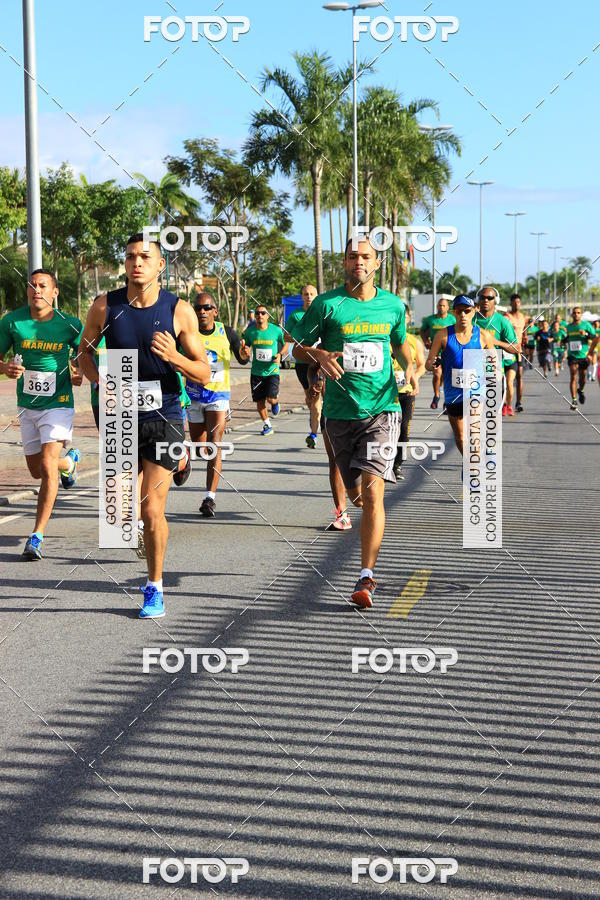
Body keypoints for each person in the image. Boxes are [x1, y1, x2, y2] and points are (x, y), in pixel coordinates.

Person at [79, 234, 210, 619]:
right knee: (120, 509)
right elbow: (85, 351)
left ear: (159, 265)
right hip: (119, 412)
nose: (137, 262)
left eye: (145, 257)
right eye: (131, 256)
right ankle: (172, 474)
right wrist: (98, 380)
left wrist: (175, 357)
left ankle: (154, 587)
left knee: (152, 508)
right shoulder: (105, 305)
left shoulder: (179, 310)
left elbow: (204, 371)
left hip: (164, 413)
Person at [289, 237, 418, 609]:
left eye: (366, 257)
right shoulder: (328, 305)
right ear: (344, 263)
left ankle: (366, 576)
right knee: (358, 496)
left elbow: (399, 343)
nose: (358, 261)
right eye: (352, 256)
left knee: (375, 493)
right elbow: (295, 348)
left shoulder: (393, 305)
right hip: (339, 414)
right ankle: (357, 517)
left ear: (376, 264)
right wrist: (318, 352)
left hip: (382, 409)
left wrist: (409, 365)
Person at [0, 270, 83, 559]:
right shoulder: (12, 322)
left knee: (47, 468)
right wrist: (4, 368)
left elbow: (84, 354)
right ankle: (69, 464)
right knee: (37, 471)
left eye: (43, 285)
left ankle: (36, 536)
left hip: (58, 403)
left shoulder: (70, 325)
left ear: (54, 292)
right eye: (32, 285)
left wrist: (80, 370)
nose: (37, 290)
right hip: (27, 405)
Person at [187, 292, 248, 517]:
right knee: (200, 448)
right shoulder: (187, 332)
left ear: (215, 311)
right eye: (198, 308)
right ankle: (185, 459)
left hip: (218, 396)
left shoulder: (227, 333)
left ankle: (209, 499)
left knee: (215, 443)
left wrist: (243, 354)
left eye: (206, 307)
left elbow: (242, 358)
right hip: (193, 395)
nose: (201, 312)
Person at [425, 295, 496, 457]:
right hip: (453, 394)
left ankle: (474, 467)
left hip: (476, 391)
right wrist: (433, 363)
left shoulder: (483, 335)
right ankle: (469, 460)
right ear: (454, 313)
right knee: (460, 436)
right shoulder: (442, 335)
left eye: (467, 311)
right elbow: (428, 363)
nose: (463, 315)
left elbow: (493, 362)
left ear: (474, 311)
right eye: (459, 311)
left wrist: (491, 374)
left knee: (473, 432)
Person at [284, 284, 323, 448]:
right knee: (310, 398)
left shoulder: (322, 312)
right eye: (306, 294)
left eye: (312, 294)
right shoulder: (295, 314)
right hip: (302, 363)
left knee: (316, 398)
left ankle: (314, 434)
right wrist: (298, 340)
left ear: (317, 295)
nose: (309, 297)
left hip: (320, 362)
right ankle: (316, 418)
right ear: (302, 297)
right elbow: (286, 336)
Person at [240, 306, 288, 435]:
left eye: (263, 313)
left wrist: (280, 355)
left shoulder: (276, 330)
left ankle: (275, 401)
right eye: (257, 313)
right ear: (255, 316)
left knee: (270, 399)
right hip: (256, 372)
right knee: (259, 401)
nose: (259, 315)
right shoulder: (250, 332)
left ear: (267, 316)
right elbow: (245, 352)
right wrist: (245, 351)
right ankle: (267, 425)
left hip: (272, 371)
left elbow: (286, 344)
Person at [473, 286, 519, 416]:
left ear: (495, 301)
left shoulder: (502, 322)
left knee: (490, 418)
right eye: (483, 297)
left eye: (490, 298)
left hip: (494, 371)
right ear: (478, 300)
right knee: (472, 414)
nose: (486, 300)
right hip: (473, 370)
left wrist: (495, 342)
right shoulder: (471, 320)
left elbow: (516, 348)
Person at [392, 306, 426, 480]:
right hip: (386, 394)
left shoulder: (414, 341)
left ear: (408, 319)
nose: (401, 320)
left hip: (406, 392)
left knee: (404, 429)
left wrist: (415, 378)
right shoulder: (384, 339)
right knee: (385, 430)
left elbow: (421, 366)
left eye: (404, 317)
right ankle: (384, 463)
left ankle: (397, 464)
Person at [420, 298, 455, 409]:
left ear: (448, 308)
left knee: (447, 376)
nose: (441, 307)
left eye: (443, 305)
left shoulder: (453, 319)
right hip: (436, 351)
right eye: (439, 305)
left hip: (449, 351)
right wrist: (426, 341)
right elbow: (422, 330)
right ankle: (436, 396)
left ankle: (447, 401)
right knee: (437, 373)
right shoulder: (430, 320)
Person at [565, 306, 596, 410]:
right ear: (572, 315)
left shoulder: (586, 325)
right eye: (574, 313)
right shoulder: (569, 327)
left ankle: (581, 390)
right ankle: (574, 400)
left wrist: (586, 334)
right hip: (572, 355)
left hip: (583, 355)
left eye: (578, 312)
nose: (576, 314)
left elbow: (594, 337)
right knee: (573, 374)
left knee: (582, 378)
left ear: (581, 314)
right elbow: (567, 337)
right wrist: (563, 341)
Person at [504, 293, 528, 411]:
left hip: (519, 351)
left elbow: (523, 331)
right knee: (507, 378)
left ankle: (518, 402)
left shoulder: (523, 317)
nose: (516, 304)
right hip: (508, 350)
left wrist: (525, 337)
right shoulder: (507, 317)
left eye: (518, 302)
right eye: (514, 302)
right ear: (511, 304)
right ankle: (505, 401)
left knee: (520, 376)